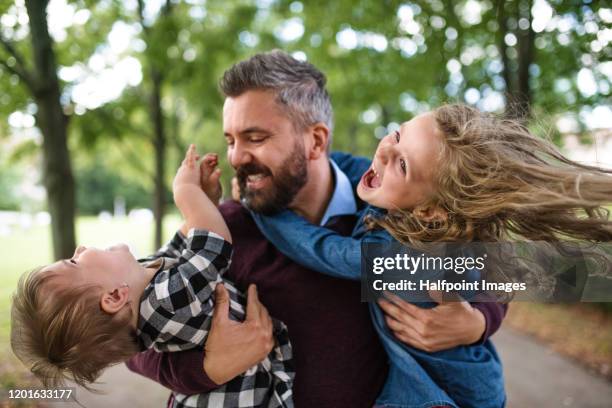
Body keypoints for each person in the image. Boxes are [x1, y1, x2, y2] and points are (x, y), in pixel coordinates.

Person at [126, 51, 509, 408]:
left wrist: (478, 321)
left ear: (316, 140)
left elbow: (501, 265)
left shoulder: (399, 202)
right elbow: (128, 338)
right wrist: (208, 367)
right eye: (231, 140)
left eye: (255, 138)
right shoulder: (223, 229)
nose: (237, 157)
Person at [252, 103, 612, 407]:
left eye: (403, 165)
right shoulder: (425, 216)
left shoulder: (405, 259)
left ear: (430, 211)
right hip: (475, 379)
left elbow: (319, 249)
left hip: (447, 395)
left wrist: (259, 207)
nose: (384, 153)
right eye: (395, 134)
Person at [10, 145, 294, 408]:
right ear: (114, 296)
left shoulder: (142, 286)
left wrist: (205, 203)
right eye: (73, 261)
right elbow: (213, 248)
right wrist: (186, 193)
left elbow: (179, 248)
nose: (80, 248)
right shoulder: (162, 304)